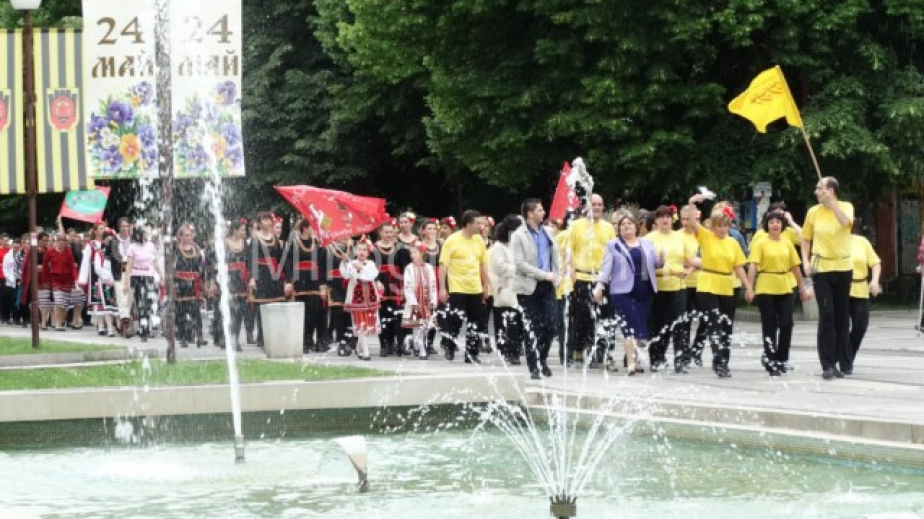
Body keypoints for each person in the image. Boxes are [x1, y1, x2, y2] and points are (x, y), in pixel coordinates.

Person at [687, 194, 754, 378]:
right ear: (713, 226)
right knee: (714, 323)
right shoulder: (706, 237)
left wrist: (748, 287)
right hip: (708, 284)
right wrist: (692, 203)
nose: (723, 229)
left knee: (726, 325)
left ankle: (724, 360)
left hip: (727, 284)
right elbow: (693, 223)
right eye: (719, 225)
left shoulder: (733, 242)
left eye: (725, 225)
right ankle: (719, 362)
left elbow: (738, 267)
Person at [801, 176, 855, 380]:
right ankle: (828, 364)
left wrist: (833, 205)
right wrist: (805, 261)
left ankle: (843, 360)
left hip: (843, 267)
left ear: (830, 191)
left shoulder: (846, 206)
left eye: (820, 188)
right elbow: (805, 239)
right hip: (821, 269)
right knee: (827, 314)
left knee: (842, 315)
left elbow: (845, 223)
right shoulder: (813, 212)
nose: (816, 192)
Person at [594, 212, 659, 375]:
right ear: (618, 229)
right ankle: (631, 363)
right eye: (622, 224)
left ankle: (634, 359)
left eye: (629, 223)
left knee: (639, 327)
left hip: (644, 289)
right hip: (622, 291)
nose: (626, 226)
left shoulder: (647, 243)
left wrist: (662, 260)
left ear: (636, 227)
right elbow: (606, 267)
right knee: (628, 326)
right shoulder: (613, 245)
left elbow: (654, 263)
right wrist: (600, 285)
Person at [747, 211, 811, 376]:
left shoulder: (787, 243)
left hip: (785, 286)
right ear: (767, 226)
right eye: (771, 222)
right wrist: (749, 287)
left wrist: (802, 288)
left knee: (786, 323)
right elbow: (753, 266)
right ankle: (771, 360)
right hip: (766, 286)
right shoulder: (760, 243)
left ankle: (782, 359)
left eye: (777, 222)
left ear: (782, 225)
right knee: (769, 325)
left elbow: (795, 268)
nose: (775, 224)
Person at [512, 199, 561, 379]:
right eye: (540, 210)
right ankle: (534, 366)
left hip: (548, 284)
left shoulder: (548, 231)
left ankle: (542, 358)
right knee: (532, 327)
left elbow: (556, 255)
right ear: (530, 213)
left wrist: (557, 275)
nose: (544, 213)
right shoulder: (518, 235)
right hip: (528, 286)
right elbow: (519, 264)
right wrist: (543, 274)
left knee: (551, 325)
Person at [566, 194, 616, 367]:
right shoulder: (576, 226)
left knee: (604, 318)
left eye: (599, 204)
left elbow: (612, 253)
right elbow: (568, 251)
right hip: (581, 277)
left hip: (602, 279)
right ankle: (579, 350)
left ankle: (599, 354)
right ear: (586, 206)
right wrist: (571, 271)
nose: (596, 207)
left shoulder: (608, 228)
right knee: (582, 318)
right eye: (593, 204)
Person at [438, 210, 491, 363]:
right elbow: (443, 265)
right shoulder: (452, 240)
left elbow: (483, 264)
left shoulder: (479, 240)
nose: (481, 226)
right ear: (468, 224)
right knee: (455, 319)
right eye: (478, 223)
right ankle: (450, 346)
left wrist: (486, 284)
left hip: (475, 287)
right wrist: (442, 288)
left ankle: (471, 353)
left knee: (476, 321)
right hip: (457, 287)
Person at [646, 205, 695, 373]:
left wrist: (690, 270)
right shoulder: (649, 238)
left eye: (668, 216)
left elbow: (692, 259)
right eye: (661, 217)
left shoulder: (679, 237)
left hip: (677, 284)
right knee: (658, 323)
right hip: (657, 285)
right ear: (656, 220)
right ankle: (657, 358)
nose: (665, 219)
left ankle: (681, 359)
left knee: (680, 323)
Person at [249, 211, 293, 348]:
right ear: (259, 223)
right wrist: (252, 278)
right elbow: (251, 260)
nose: (268, 222)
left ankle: (275, 337)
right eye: (265, 220)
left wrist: (288, 281)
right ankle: (262, 338)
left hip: (275, 276)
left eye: (269, 220)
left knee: (277, 306)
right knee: (262, 308)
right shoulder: (255, 239)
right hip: (261, 275)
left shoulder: (276, 241)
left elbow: (283, 261)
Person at [491, 215, 526, 366]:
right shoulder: (498, 247)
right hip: (506, 289)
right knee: (507, 323)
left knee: (519, 323)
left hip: (521, 289)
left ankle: (515, 350)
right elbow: (500, 267)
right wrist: (519, 269)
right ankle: (509, 352)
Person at [290, 220, 328, 353]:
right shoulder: (294, 243)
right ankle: (305, 341)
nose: (314, 229)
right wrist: (290, 281)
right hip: (300, 281)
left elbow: (322, 265)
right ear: (305, 228)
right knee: (303, 313)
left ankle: (315, 340)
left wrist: (323, 284)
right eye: (312, 226)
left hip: (315, 281)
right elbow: (289, 263)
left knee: (315, 311)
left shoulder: (318, 243)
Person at [213, 219, 251, 351]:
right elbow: (216, 262)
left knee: (239, 311)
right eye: (242, 230)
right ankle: (224, 337)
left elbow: (249, 261)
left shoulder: (245, 244)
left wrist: (250, 278)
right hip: (228, 279)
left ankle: (235, 338)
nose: (244, 232)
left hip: (241, 280)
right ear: (234, 230)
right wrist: (215, 281)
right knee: (228, 309)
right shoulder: (224, 243)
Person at [847, 230, 881, 373]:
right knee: (840, 327)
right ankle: (844, 361)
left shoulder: (862, 241)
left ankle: (847, 355)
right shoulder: (832, 241)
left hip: (860, 289)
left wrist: (874, 280)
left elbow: (875, 263)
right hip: (841, 289)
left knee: (861, 325)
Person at [342, 238, 381, 361]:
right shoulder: (351, 263)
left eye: (364, 250)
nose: (361, 252)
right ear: (355, 251)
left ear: (368, 253)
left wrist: (361, 268)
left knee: (367, 325)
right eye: (359, 249)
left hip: (370, 298)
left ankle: (359, 348)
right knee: (360, 324)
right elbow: (345, 275)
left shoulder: (370, 264)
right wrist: (344, 262)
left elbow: (372, 276)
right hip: (356, 298)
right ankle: (366, 352)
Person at [77, 223, 118, 336]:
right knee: (97, 300)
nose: (102, 230)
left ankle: (109, 324)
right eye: (100, 228)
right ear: (95, 231)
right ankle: (100, 325)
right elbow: (85, 263)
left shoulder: (110, 243)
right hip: (95, 276)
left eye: (104, 228)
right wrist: (82, 280)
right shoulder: (91, 245)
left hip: (108, 275)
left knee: (108, 299)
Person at [124, 226, 162, 342]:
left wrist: (161, 276)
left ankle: (148, 326)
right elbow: (129, 266)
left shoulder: (151, 246)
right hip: (137, 277)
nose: (147, 234)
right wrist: (126, 282)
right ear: (139, 234)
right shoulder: (132, 247)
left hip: (149, 277)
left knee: (149, 303)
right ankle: (143, 330)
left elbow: (155, 263)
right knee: (140, 304)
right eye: (144, 233)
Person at [374, 220, 407, 356]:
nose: (388, 234)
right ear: (380, 233)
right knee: (382, 315)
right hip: (380, 285)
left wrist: (405, 286)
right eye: (385, 232)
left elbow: (405, 269)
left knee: (397, 315)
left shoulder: (400, 249)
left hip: (396, 286)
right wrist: (376, 281)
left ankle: (399, 343)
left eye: (390, 232)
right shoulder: (373, 248)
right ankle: (384, 344)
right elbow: (370, 268)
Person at [174, 224, 209, 348]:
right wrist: (174, 285)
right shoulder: (176, 250)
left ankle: (200, 336)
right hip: (181, 284)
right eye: (186, 235)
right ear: (180, 236)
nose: (188, 238)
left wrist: (203, 283)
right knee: (182, 312)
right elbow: (172, 269)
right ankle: (183, 337)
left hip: (194, 284)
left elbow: (201, 268)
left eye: (190, 235)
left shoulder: (196, 249)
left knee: (196, 311)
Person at [402, 243, 437, 359]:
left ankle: (418, 344)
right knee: (417, 324)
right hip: (416, 300)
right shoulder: (409, 268)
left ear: (422, 253)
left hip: (426, 300)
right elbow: (408, 285)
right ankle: (421, 349)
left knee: (426, 325)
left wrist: (433, 299)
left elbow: (433, 284)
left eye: (415, 252)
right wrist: (412, 301)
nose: (412, 255)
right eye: (411, 253)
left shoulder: (429, 267)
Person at [41, 235, 78, 331]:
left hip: (67, 279)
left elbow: (73, 266)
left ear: (66, 243)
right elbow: (45, 266)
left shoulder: (68, 252)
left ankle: (60, 321)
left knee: (64, 303)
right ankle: (57, 324)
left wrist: (76, 279)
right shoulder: (50, 252)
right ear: (56, 242)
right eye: (60, 241)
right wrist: (44, 280)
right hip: (55, 279)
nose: (61, 243)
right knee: (58, 301)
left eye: (63, 242)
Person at [327, 236, 354, 356]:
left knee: (349, 315)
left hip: (350, 284)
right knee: (338, 313)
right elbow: (322, 267)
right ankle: (340, 341)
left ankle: (350, 340)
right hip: (334, 284)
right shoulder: (328, 247)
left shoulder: (353, 247)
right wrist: (323, 284)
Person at [111, 217, 135, 337]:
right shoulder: (114, 241)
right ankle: (125, 327)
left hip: (132, 271)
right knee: (122, 298)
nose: (125, 229)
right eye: (123, 226)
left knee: (130, 298)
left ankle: (124, 323)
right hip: (119, 272)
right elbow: (112, 258)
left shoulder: (134, 240)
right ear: (119, 227)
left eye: (127, 226)